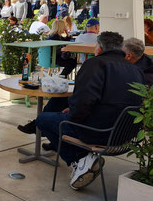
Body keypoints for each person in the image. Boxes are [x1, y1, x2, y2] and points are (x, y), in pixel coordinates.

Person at [36, 32, 144, 189]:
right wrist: (73, 110)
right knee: (64, 115)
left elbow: (82, 104)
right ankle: (84, 158)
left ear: (99, 48)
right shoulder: (136, 70)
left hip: (98, 133)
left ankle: (79, 159)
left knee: (43, 119)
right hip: (127, 135)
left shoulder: (95, 65)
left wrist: (71, 114)